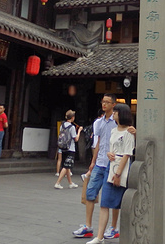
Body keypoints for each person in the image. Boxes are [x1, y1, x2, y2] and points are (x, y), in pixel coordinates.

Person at [73, 95, 129, 240]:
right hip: (99, 163)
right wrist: (93, 162)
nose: (104, 104)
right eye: (103, 102)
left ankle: (113, 227)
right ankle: (88, 226)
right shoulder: (98, 122)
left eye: (107, 102)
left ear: (113, 104)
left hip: (113, 165)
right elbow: (98, 143)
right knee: (90, 193)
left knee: (112, 197)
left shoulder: (117, 122)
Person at [86, 103, 135, 244]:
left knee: (121, 204)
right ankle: (99, 237)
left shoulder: (129, 132)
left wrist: (118, 174)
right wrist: (109, 154)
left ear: (122, 114)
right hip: (110, 165)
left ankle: (117, 230)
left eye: (116, 112)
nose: (113, 114)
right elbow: (111, 148)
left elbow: (127, 154)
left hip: (121, 169)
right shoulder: (114, 130)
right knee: (104, 203)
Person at [54, 110, 80, 189]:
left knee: (67, 166)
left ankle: (70, 183)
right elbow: (76, 139)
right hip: (70, 148)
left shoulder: (62, 125)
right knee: (66, 166)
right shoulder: (72, 127)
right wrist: (79, 131)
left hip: (63, 148)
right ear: (72, 118)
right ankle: (58, 183)